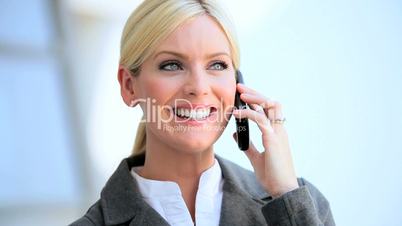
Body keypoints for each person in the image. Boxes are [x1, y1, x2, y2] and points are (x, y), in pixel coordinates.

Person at [70, 0, 335, 225]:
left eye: (217, 65)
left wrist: (284, 196)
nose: (199, 87)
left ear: (237, 85)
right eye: (171, 65)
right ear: (129, 86)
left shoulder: (300, 205)